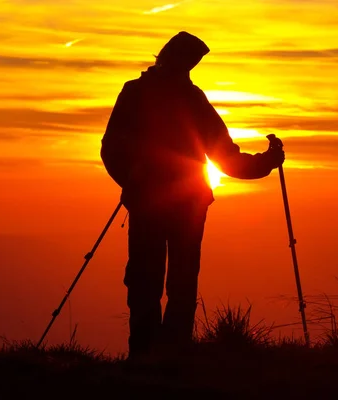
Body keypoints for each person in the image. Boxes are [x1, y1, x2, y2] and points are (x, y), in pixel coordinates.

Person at [101, 31, 285, 360]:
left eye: (193, 64)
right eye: (189, 62)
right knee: (154, 277)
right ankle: (153, 352)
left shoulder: (183, 96)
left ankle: (164, 353)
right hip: (165, 202)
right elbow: (112, 149)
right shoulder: (145, 93)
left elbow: (224, 155)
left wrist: (267, 162)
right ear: (173, 58)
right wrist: (130, 181)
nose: (189, 68)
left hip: (177, 203)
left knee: (171, 278)